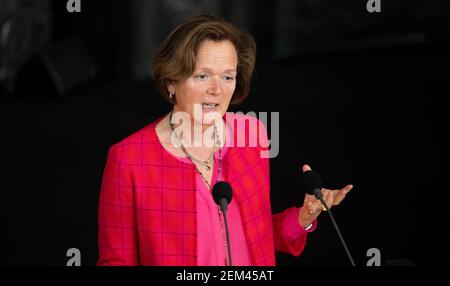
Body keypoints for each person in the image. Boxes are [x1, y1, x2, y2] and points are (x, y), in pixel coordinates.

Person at [96, 15, 353, 266]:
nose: (217, 90)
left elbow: (257, 236)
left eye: (227, 76)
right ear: (171, 81)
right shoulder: (129, 158)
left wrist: (303, 217)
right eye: (203, 75)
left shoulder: (251, 135)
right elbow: (116, 260)